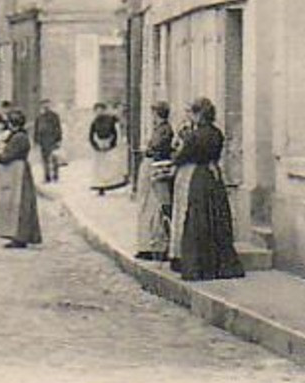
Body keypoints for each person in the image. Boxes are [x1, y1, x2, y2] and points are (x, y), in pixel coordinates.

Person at [171, 98, 244, 281]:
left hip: (199, 177)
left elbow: (181, 157)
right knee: (217, 219)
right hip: (215, 177)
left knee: (198, 219)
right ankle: (221, 264)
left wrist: (177, 152)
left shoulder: (194, 137)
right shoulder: (217, 133)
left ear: (198, 115)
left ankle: (200, 266)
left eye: (193, 114)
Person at [0, 108, 41, 248]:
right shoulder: (18, 136)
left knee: (19, 203)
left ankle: (20, 236)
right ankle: (17, 235)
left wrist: (0, 157)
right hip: (16, 171)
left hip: (18, 172)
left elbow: (8, 155)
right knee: (16, 203)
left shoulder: (19, 137)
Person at [134, 102, 175, 261]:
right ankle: (147, 245)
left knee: (154, 207)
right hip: (150, 167)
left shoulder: (165, 130)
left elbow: (158, 149)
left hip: (156, 168)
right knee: (147, 206)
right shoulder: (160, 129)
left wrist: (149, 150)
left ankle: (156, 246)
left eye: (154, 113)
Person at [88, 101, 128, 195]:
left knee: (110, 166)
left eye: (101, 110)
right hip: (99, 146)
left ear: (104, 110)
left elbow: (116, 133)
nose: (99, 112)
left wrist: (111, 144)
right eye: (97, 110)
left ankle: (112, 185)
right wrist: (96, 145)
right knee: (99, 168)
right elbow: (91, 135)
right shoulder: (94, 122)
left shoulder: (111, 120)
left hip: (110, 145)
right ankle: (100, 187)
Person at [32, 100, 63, 183]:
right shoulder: (39, 117)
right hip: (43, 141)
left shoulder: (54, 116)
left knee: (54, 158)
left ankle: (55, 175)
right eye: (43, 105)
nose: (45, 107)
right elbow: (36, 129)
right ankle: (47, 176)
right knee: (44, 159)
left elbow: (58, 128)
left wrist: (58, 140)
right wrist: (36, 141)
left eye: (47, 105)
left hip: (52, 139)